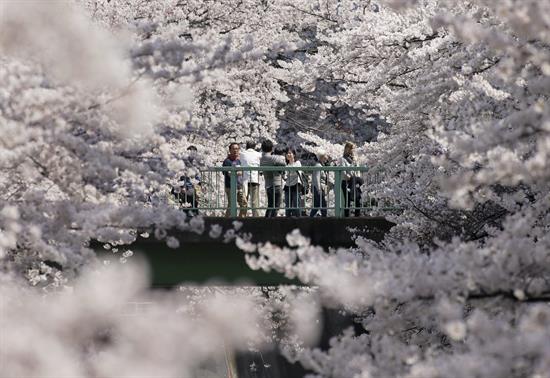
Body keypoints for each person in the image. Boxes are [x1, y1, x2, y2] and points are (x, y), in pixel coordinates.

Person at [171, 145, 201, 216]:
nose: (193, 155)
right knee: (186, 207)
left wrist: (199, 186)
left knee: (192, 206)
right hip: (183, 189)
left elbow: (197, 178)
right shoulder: (183, 162)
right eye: (191, 152)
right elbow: (179, 176)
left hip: (191, 189)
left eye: (194, 153)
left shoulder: (195, 163)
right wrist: (182, 187)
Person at [260, 139, 286, 217]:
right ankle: (273, 222)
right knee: (276, 206)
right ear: (271, 148)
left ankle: (267, 222)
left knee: (270, 205)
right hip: (276, 184)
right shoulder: (273, 158)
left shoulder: (262, 159)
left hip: (268, 185)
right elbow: (283, 164)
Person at [338, 142, 363, 217]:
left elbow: (358, 170)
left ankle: (357, 215)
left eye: (353, 149)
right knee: (347, 199)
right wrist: (349, 177)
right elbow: (343, 172)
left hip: (355, 181)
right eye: (352, 148)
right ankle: (347, 217)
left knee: (358, 198)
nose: (353, 150)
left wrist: (357, 178)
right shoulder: (343, 159)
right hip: (346, 182)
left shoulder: (355, 159)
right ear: (347, 149)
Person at [222, 142, 247, 217]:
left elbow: (241, 172)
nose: (235, 151)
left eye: (237, 149)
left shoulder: (238, 161)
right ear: (230, 150)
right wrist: (237, 172)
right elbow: (228, 174)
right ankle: (227, 221)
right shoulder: (227, 161)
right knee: (231, 205)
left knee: (244, 203)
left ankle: (241, 220)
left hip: (239, 186)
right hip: (230, 186)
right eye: (233, 149)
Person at [239, 141, 262, 216]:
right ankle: (256, 218)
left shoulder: (242, 154)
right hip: (255, 179)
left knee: (244, 201)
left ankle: (242, 217)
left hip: (245, 180)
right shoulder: (258, 154)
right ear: (254, 147)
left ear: (246, 147)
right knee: (255, 202)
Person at [309, 151, 332, 217]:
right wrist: (319, 189)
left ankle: (310, 218)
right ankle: (324, 220)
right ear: (322, 157)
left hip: (318, 188)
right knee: (323, 205)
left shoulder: (321, 165)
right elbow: (316, 178)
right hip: (318, 188)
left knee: (316, 205)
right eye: (325, 155)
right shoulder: (318, 166)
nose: (327, 157)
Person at [283, 147, 304, 217]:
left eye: (290, 153)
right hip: (287, 186)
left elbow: (298, 172)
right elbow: (285, 176)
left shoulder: (298, 163)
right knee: (287, 205)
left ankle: (298, 220)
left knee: (296, 204)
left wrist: (289, 174)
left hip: (296, 186)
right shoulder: (286, 165)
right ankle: (287, 220)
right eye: (287, 153)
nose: (288, 155)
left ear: (294, 154)